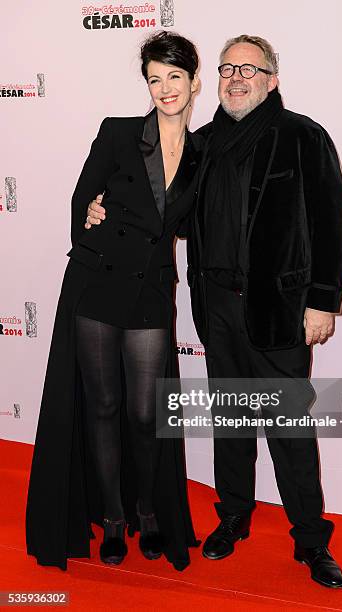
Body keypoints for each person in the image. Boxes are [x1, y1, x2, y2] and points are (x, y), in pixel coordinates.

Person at [86, 34, 342, 588]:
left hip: (279, 313)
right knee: (232, 424)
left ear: (271, 79)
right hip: (217, 310)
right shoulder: (201, 144)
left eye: (249, 69)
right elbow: (165, 214)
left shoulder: (303, 136)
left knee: (288, 430)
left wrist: (323, 302)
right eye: (228, 67)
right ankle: (232, 518)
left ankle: (309, 541)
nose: (236, 77)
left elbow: (331, 224)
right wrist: (101, 205)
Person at [26, 30, 204, 572]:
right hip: (98, 282)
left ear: (194, 82)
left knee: (146, 410)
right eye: (155, 79)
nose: (165, 88)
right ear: (146, 85)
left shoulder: (204, 153)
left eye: (175, 77)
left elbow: (200, 223)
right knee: (102, 406)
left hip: (150, 288)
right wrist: (90, 216)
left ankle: (148, 509)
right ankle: (113, 519)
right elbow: (84, 194)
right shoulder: (119, 133)